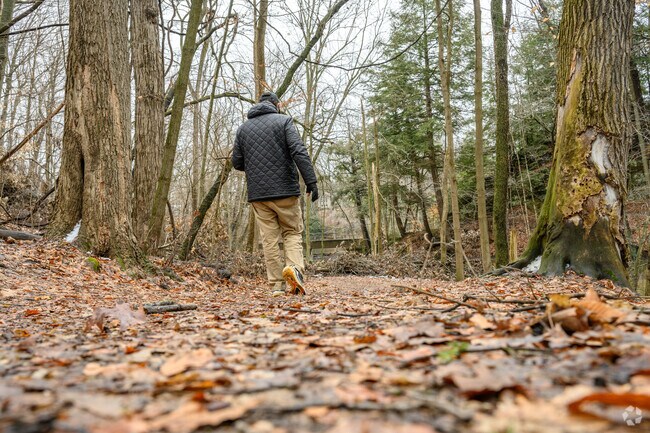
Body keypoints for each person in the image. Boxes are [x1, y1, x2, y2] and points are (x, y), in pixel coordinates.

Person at [232, 91, 318, 296]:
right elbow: (298, 150)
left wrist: (255, 168)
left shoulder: (243, 129)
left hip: (258, 194)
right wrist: (311, 181)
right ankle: (295, 270)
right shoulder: (284, 121)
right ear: (277, 105)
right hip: (285, 189)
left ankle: (276, 286)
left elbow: (237, 162)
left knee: (269, 239)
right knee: (292, 232)